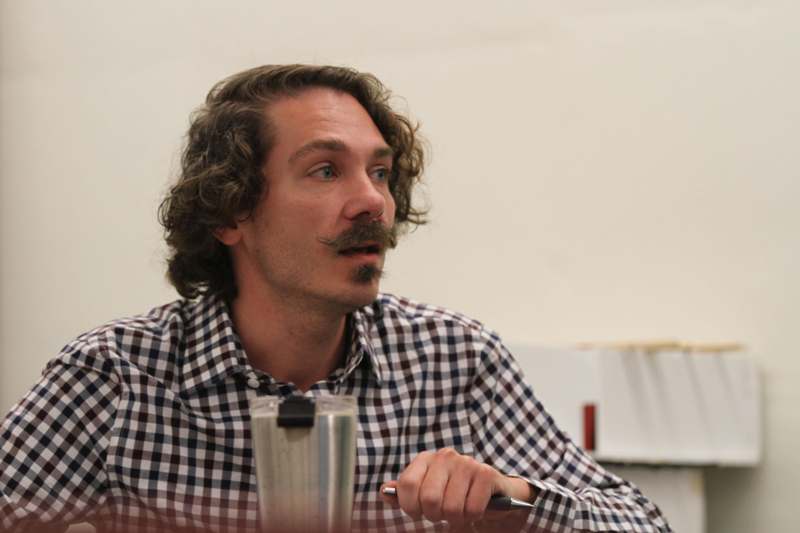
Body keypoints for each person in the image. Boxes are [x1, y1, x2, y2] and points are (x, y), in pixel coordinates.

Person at [0, 65, 671, 533]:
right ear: (232, 212)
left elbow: (642, 521)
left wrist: (516, 499)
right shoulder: (117, 374)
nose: (373, 201)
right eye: (326, 170)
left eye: (380, 172)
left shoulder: (454, 360)